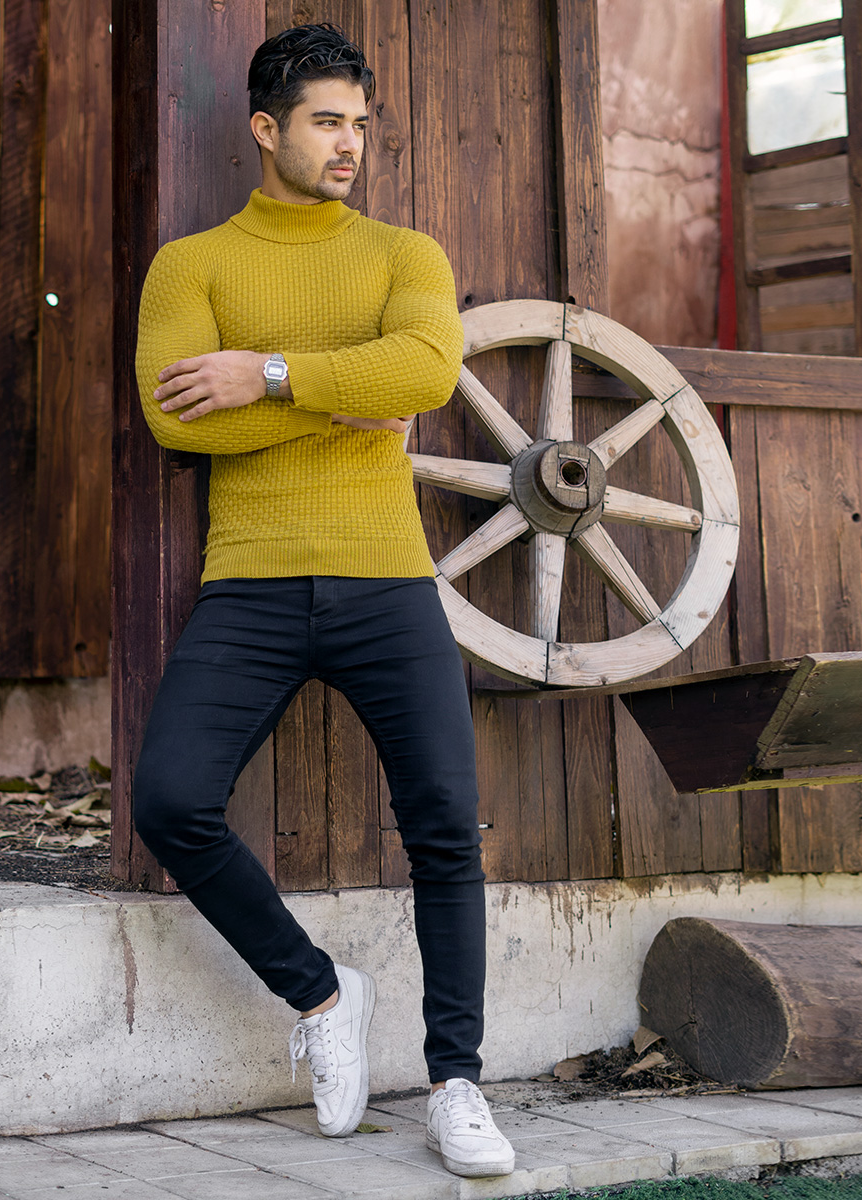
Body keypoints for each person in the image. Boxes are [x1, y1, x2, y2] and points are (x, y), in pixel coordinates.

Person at [131, 23, 515, 1180]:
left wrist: (268, 372)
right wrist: (350, 399)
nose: (349, 143)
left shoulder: (405, 253)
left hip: (387, 578)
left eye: (359, 123)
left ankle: (457, 1084)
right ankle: (320, 993)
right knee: (172, 801)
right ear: (267, 128)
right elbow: (173, 417)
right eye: (324, 122)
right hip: (249, 580)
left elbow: (427, 372)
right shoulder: (192, 266)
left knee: (444, 823)